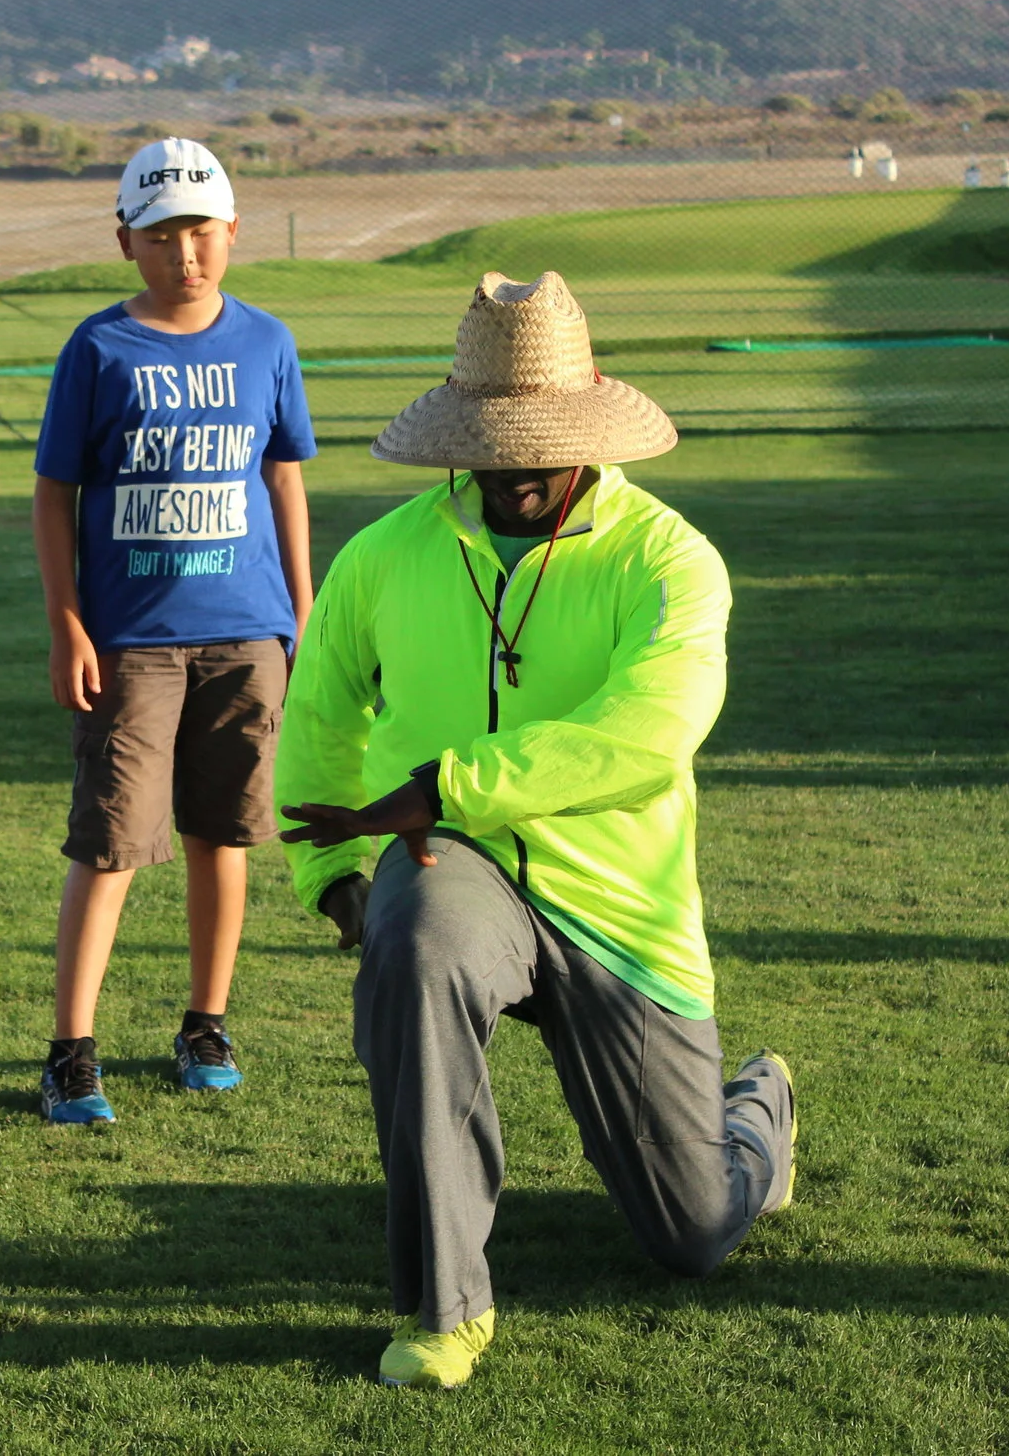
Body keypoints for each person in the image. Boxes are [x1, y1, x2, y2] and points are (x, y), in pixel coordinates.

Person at [275, 271, 796, 1387]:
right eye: (492, 447)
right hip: (447, 863)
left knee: (693, 1232)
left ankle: (761, 1106)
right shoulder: (381, 557)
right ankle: (441, 1309)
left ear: (588, 435)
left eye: (539, 446)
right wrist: (329, 869)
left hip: (620, 906)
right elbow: (317, 714)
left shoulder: (669, 559)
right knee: (415, 949)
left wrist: (446, 780)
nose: (515, 473)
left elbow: (649, 732)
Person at [29, 138, 318, 1124]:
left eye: (200, 231)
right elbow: (53, 494)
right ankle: (71, 1050)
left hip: (245, 631)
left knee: (223, 833)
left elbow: (283, 477)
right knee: (110, 842)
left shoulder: (266, 343)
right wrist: (68, 622)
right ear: (125, 241)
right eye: (160, 235)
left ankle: (206, 1020)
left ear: (230, 232)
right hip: (133, 639)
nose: (183, 253)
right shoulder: (100, 349)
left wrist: (300, 607)